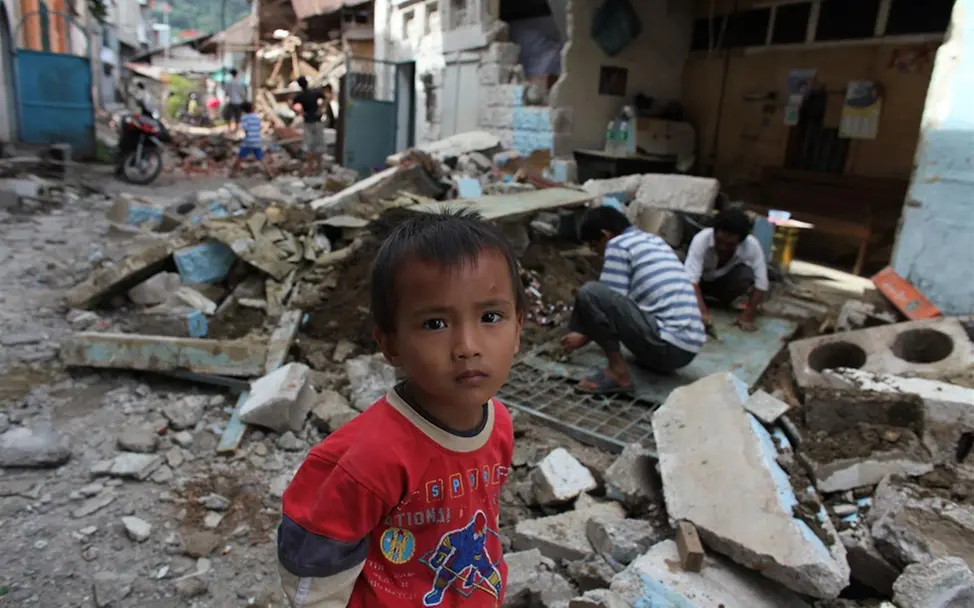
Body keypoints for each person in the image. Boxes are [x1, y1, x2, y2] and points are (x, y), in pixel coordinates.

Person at [277, 209, 523, 607]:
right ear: (390, 345)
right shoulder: (372, 459)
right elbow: (313, 564)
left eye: (490, 317)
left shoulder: (499, 425)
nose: (467, 346)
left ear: (518, 331)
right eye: (435, 324)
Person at [561, 206, 705, 394]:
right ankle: (646, 358)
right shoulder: (655, 241)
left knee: (590, 292)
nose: (597, 253)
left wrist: (583, 336)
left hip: (668, 347)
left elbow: (605, 302)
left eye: (595, 246)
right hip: (688, 349)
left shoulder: (618, 245)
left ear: (605, 236)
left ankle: (617, 373)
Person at [684, 206, 769, 333]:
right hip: (700, 283)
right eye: (720, 241)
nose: (723, 247)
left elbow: (761, 283)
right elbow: (691, 280)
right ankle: (696, 301)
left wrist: (748, 315)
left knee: (746, 274)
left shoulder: (751, 246)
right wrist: (702, 313)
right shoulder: (702, 239)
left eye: (730, 244)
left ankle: (720, 302)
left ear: (740, 241)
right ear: (714, 232)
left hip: (722, 286)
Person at [229, 102, 274, 179]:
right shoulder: (257, 117)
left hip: (248, 141)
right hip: (257, 140)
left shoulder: (244, 118)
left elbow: (245, 128)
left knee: (240, 157)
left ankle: (233, 173)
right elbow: (259, 127)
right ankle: (270, 174)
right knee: (261, 158)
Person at [293, 76, 326, 175]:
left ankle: (310, 168)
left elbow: (292, 105)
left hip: (308, 122)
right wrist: (320, 109)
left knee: (309, 145)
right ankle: (319, 167)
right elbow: (326, 98)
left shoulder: (300, 96)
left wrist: (301, 113)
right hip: (317, 121)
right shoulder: (315, 92)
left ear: (299, 85)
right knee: (319, 144)